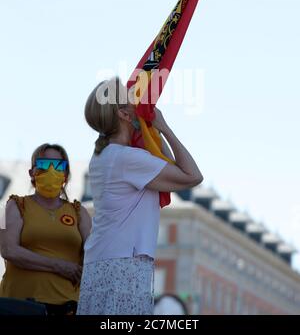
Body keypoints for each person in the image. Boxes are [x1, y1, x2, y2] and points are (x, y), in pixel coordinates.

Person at [77, 77, 203, 315]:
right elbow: (192, 176)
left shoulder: (106, 156)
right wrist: (163, 127)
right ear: (124, 115)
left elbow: (170, 167)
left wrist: (149, 129)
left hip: (104, 261)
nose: (139, 101)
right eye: (131, 99)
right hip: (124, 263)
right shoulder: (127, 159)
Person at [0, 143, 91, 315]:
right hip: (19, 306)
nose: (51, 170)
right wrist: (58, 266)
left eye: (58, 165)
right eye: (43, 164)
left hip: (68, 306)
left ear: (65, 174)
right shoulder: (13, 205)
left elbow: (94, 256)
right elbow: (8, 250)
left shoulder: (80, 212)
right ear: (31, 173)